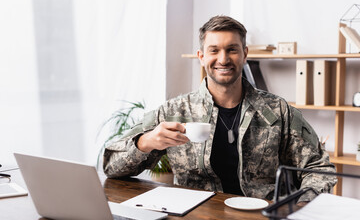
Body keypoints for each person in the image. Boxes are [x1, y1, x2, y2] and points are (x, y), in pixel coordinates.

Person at [103, 15, 336, 203]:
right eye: (214, 50)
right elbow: (111, 166)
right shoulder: (174, 111)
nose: (223, 59)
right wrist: (146, 142)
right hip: (196, 214)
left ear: (245, 54)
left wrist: (301, 207)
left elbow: (320, 168)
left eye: (232, 49)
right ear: (201, 57)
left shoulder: (278, 111)